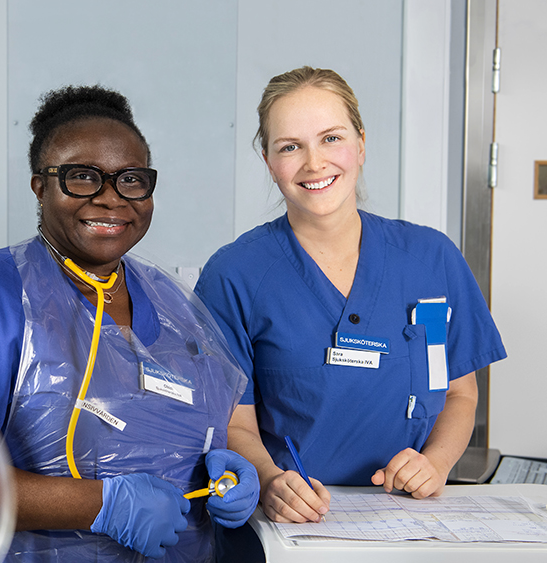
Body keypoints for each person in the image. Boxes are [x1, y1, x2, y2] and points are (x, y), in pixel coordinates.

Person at [0, 85, 259, 561]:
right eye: (82, 178)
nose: (111, 199)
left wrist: (228, 473)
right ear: (39, 185)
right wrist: (102, 506)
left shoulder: (173, 304)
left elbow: (208, 427)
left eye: (131, 179)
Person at [194, 67, 506, 524]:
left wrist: (435, 464)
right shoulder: (234, 274)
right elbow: (233, 420)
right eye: (289, 146)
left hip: (409, 518)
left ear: (361, 143)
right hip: (293, 523)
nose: (314, 163)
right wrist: (269, 480)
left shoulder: (431, 258)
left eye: (331, 138)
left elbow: (460, 394)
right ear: (268, 160)